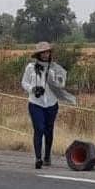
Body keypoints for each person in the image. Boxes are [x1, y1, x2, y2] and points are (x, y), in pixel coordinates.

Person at [21, 41, 74, 169]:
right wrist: (33, 89)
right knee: (39, 129)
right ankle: (38, 158)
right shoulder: (30, 68)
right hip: (35, 103)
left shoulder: (55, 68)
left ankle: (47, 156)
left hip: (51, 103)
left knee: (49, 130)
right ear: (38, 54)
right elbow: (24, 83)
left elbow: (61, 85)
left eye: (47, 52)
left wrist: (56, 79)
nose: (45, 54)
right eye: (43, 52)